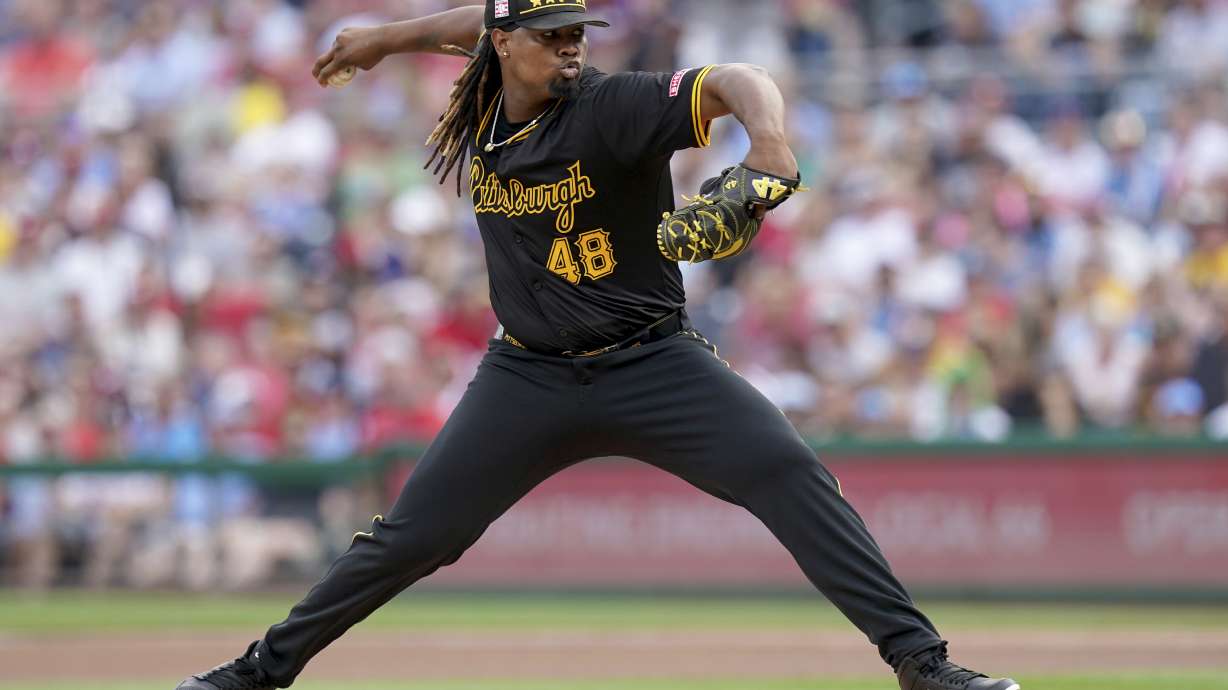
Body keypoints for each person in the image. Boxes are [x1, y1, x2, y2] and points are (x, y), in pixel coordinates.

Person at [176, 3, 1019, 689]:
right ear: (504, 47)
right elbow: (471, 27)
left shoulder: (610, 106)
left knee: (792, 475)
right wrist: (387, 39)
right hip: (527, 376)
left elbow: (738, 78)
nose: (570, 48)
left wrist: (769, 141)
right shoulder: (488, 93)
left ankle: (922, 664)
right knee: (409, 538)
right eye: (551, 35)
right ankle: (261, 672)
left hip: (653, 361)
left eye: (577, 32)